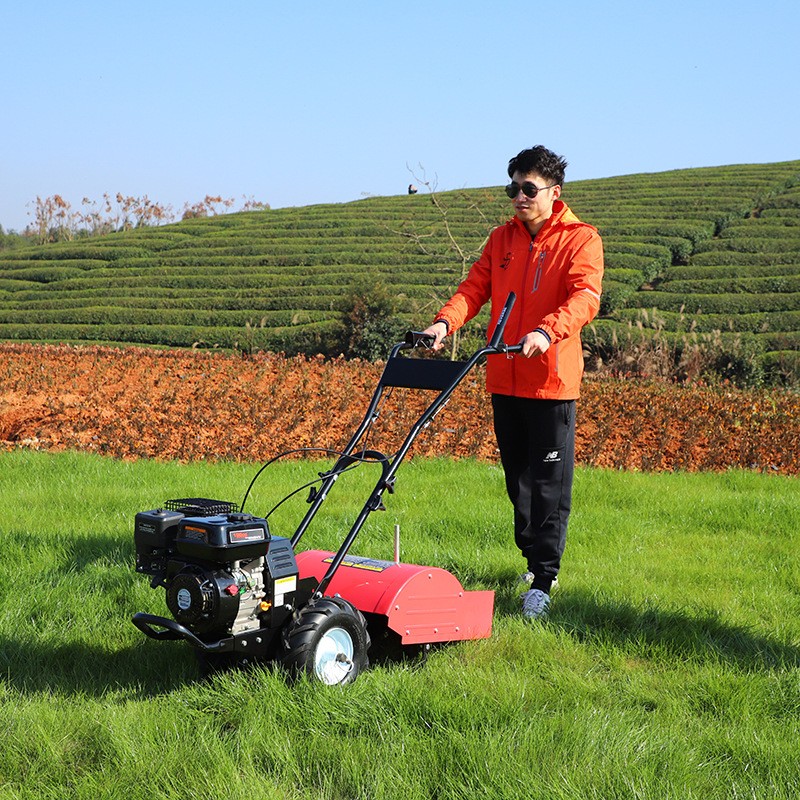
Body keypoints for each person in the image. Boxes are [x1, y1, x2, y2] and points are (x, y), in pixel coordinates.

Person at [420, 145, 604, 621]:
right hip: (504, 376)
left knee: (548, 483)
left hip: (551, 381)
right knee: (516, 480)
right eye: (513, 188)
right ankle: (532, 557)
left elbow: (586, 297)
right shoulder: (501, 239)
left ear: (553, 192)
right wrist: (444, 325)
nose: (519, 197)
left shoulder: (581, 239)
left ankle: (544, 577)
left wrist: (547, 330)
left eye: (528, 189)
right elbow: (473, 290)